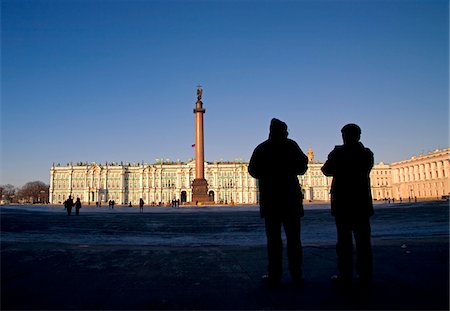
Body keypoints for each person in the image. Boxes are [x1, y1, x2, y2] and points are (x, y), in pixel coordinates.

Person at [248, 118, 308, 286]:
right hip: (290, 198)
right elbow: (303, 167)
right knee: (294, 239)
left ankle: (274, 274)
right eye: (285, 131)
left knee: (273, 240)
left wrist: (267, 175)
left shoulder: (262, 148)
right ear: (283, 131)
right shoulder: (291, 146)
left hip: (271, 199)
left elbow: (252, 170)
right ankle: (296, 274)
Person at [321, 123, 374, 286]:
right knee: (363, 242)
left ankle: (345, 275)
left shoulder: (339, 153)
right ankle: (365, 275)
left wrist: (335, 154)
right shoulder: (366, 153)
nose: (344, 138)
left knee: (344, 242)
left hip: (343, 203)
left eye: (344, 135)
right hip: (361, 202)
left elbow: (326, 170)